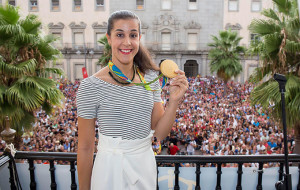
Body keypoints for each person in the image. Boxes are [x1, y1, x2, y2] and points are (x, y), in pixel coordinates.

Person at [76, 10, 188, 190]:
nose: (127, 42)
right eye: (120, 34)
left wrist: (174, 101)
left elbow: (158, 134)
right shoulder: (91, 86)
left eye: (133, 35)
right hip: (108, 169)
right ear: (109, 38)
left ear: (139, 38)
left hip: (143, 166)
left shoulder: (150, 78)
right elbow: (85, 148)